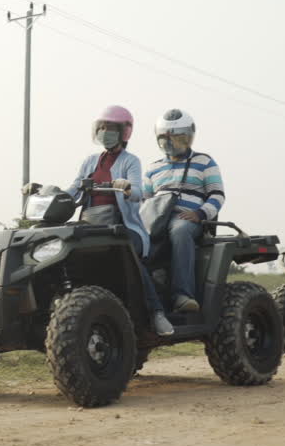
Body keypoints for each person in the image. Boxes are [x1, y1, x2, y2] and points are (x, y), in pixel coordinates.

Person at [54, 105, 174, 336]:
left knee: (129, 254)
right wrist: (48, 193)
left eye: (110, 128)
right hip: (91, 227)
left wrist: (126, 187)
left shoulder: (131, 162)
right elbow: (74, 190)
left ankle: (157, 312)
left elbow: (138, 192)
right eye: (101, 127)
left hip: (124, 229)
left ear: (123, 133)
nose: (104, 132)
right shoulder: (90, 161)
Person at [142, 109, 225, 313]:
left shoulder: (205, 162)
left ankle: (182, 295)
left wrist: (199, 214)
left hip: (188, 219)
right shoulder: (153, 168)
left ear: (189, 137)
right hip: (156, 219)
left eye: (178, 139)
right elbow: (145, 201)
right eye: (165, 139)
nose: (172, 144)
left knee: (179, 230)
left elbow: (217, 195)